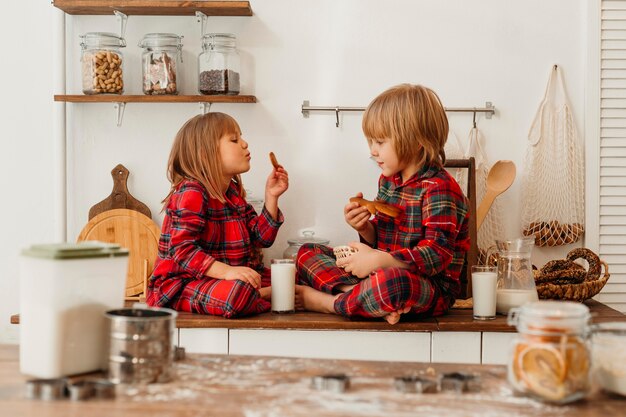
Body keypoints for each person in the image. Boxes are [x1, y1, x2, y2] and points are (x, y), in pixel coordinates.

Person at [296, 84, 470, 324]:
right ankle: (365, 299)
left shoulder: (439, 187)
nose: (372, 151)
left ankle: (328, 303)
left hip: (429, 287)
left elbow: (436, 255)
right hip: (379, 271)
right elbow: (383, 237)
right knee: (308, 252)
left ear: (416, 141)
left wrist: (380, 260)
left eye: (379, 142)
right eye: (371, 142)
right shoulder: (388, 181)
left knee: (394, 285)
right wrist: (365, 228)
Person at [147, 112, 289, 318]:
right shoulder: (192, 190)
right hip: (183, 285)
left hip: (224, 281)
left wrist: (271, 197)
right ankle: (274, 295)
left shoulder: (232, 193)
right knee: (238, 293)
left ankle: (272, 293)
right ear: (206, 153)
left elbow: (261, 239)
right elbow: (182, 250)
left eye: (241, 137)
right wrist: (228, 272)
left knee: (296, 270)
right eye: (234, 140)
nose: (245, 143)